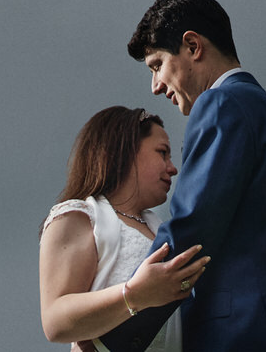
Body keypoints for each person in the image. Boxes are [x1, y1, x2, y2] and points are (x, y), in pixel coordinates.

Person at [98, 0, 266, 352]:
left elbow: (192, 229)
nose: (155, 86)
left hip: (241, 336)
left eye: (157, 65)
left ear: (192, 46)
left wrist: (115, 334)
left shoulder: (222, 105)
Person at [39, 106, 212, 352]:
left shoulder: (160, 228)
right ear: (124, 150)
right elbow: (55, 321)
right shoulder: (78, 216)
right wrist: (135, 294)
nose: (173, 168)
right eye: (162, 153)